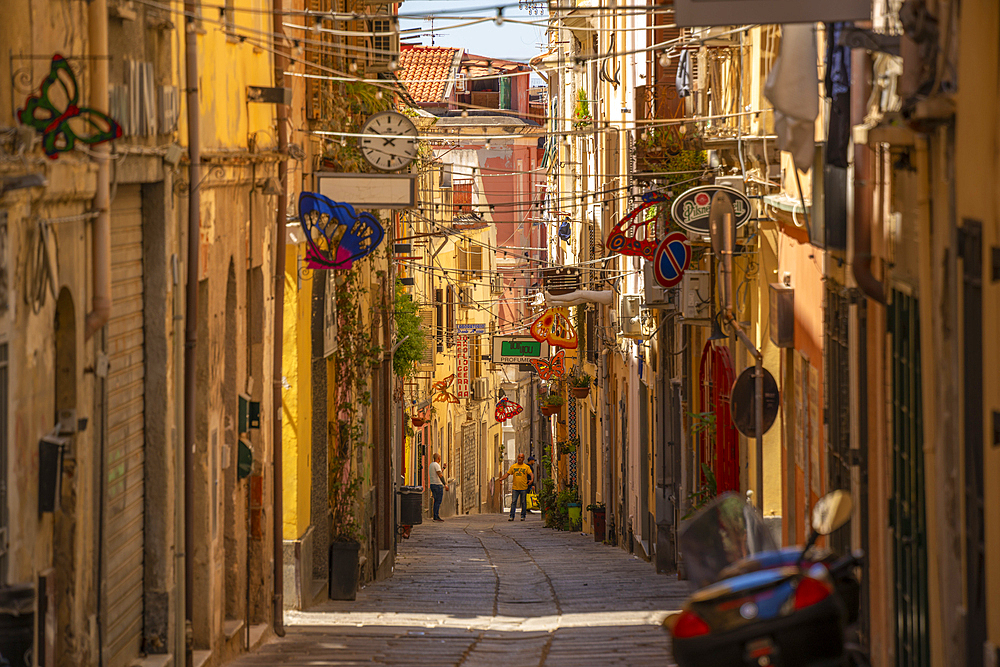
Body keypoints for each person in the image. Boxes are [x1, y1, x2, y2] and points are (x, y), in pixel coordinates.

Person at [498, 452, 533, 521]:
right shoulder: (513, 466)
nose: (520, 458)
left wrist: (531, 480)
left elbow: (531, 474)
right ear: (517, 458)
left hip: (523, 487)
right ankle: (511, 516)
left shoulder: (526, 467)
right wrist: (501, 478)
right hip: (515, 488)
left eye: (521, 457)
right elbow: (507, 474)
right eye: (519, 457)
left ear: (523, 459)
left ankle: (523, 516)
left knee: (523, 502)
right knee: (513, 502)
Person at [429, 453, 448, 522]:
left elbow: (437, 473)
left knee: (436, 501)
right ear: (439, 458)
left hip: (432, 484)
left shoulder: (431, 465)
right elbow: (440, 475)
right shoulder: (436, 465)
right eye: (440, 457)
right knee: (438, 501)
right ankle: (436, 516)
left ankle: (435, 515)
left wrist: (443, 468)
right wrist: (445, 484)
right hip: (437, 485)